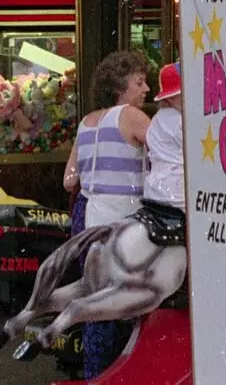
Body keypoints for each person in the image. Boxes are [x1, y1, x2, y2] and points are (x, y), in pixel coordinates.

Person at [62, 49, 151, 379]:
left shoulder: (86, 122)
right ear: (120, 88)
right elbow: (168, 152)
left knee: (98, 304)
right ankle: (123, 373)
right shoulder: (130, 116)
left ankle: (95, 375)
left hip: (89, 220)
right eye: (139, 82)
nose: (146, 90)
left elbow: (68, 179)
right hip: (123, 220)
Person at [143, 62, 184, 211]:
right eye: (182, 95)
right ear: (170, 99)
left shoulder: (157, 119)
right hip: (177, 193)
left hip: (154, 190)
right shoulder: (179, 121)